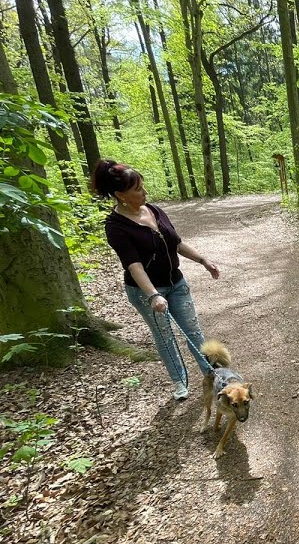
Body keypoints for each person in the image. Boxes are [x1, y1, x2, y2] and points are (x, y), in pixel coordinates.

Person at [94, 159, 221, 401]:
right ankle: (180, 382)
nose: (145, 192)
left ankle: (212, 376)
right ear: (121, 195)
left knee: (193, 331)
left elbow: (177, 242)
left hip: (176, 283)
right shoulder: (115, 226)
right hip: (147, 292)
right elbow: (134, 265)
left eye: (142, 186)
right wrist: (153, 294)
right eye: (138, 189)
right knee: (165, 336)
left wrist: (203, 260)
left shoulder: (154, 210)